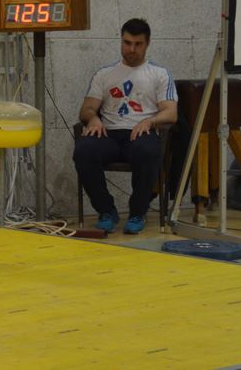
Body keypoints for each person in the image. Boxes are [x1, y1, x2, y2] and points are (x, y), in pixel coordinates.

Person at [73, 19, 178, 234]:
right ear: (120, 41)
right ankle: (106, 210)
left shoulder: (159, 74)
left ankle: (137, 212)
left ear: (147, 44)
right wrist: (93, 118)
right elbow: (87, 109)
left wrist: (150, 121)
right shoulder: (104, 74)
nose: (131, 49)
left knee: (147, 151)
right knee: (83, 150)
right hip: (109, 134)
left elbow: (171, 112)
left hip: (141, 132)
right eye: (127, 43)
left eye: (138, 44)